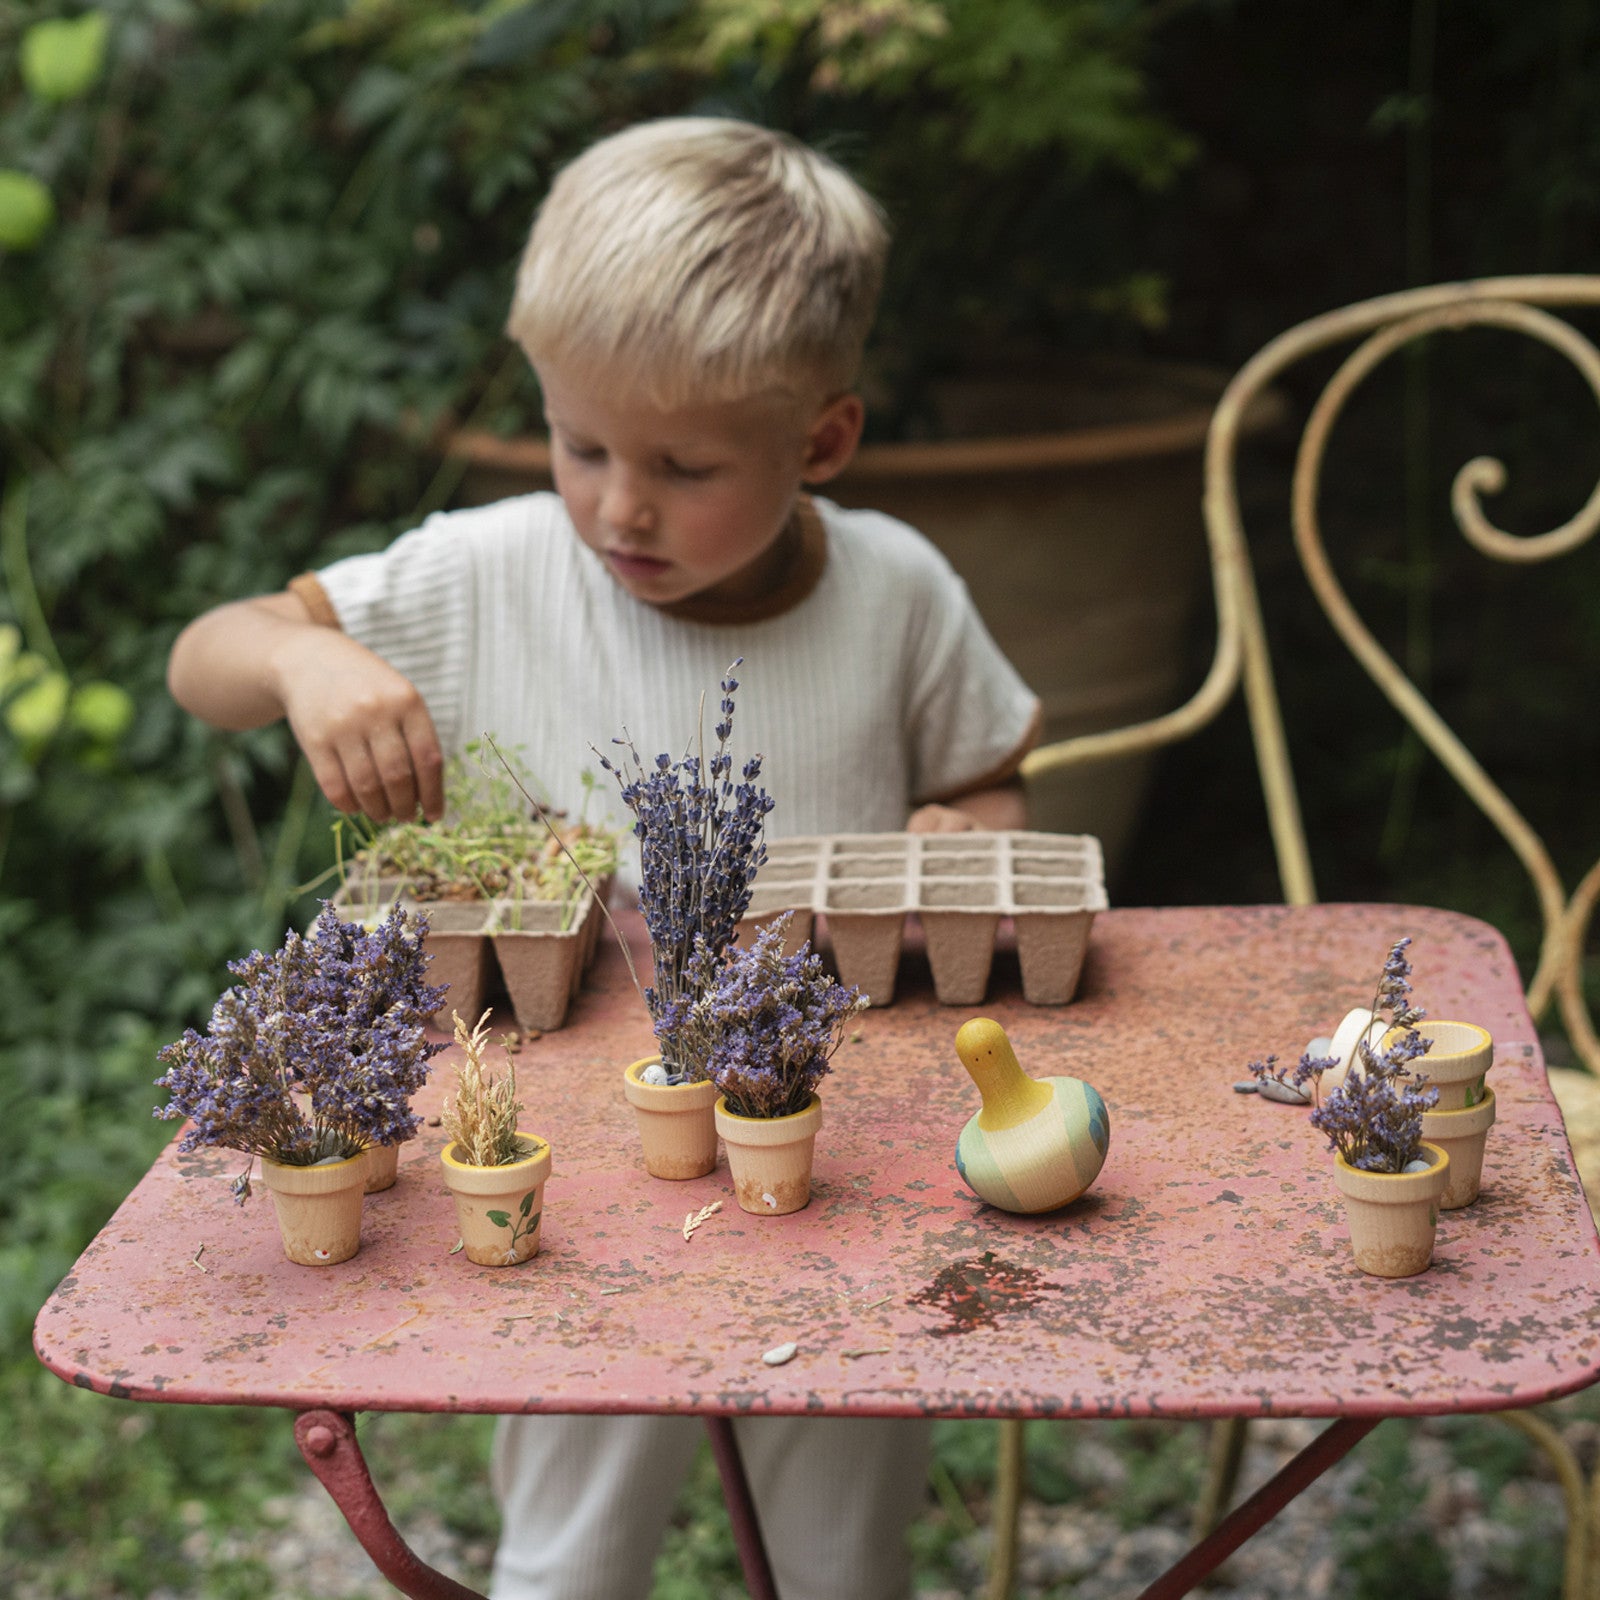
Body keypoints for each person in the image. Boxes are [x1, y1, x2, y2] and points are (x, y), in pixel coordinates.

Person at [168, 116, 1040, 1600]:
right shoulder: (492, 571)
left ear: (821, 439)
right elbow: (207, 657)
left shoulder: (897, 591)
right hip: (567, 1180)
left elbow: (992, 790)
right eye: (581, 445)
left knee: (844, 1536)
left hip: (836, 1152)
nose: (619, 506)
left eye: (683, 464)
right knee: (572, 1537)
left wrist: (963, 838)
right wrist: (307, 670)